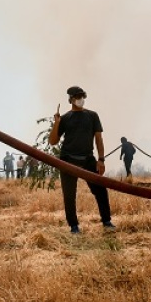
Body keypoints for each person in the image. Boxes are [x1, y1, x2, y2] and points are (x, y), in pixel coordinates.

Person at [48, 86, 114, 233]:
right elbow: (52, 141)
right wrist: (57, 123)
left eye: (82, 96)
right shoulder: (65, 118)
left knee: (100, 190)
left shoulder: (92, 116)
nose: (80, 100)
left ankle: (107, 222)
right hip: (67, 160)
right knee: (69, 195)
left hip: (88, 159)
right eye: (77, 97)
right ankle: (74, 226)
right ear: (70, 99)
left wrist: (101, 160)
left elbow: (98, 139)